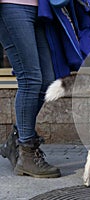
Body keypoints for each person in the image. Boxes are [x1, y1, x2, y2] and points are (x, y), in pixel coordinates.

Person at [0, 1, 61, 178]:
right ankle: (26, 154)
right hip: (11, 5)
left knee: (47, 81)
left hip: (40, 8)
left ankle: (15, 141)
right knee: (30, 79)